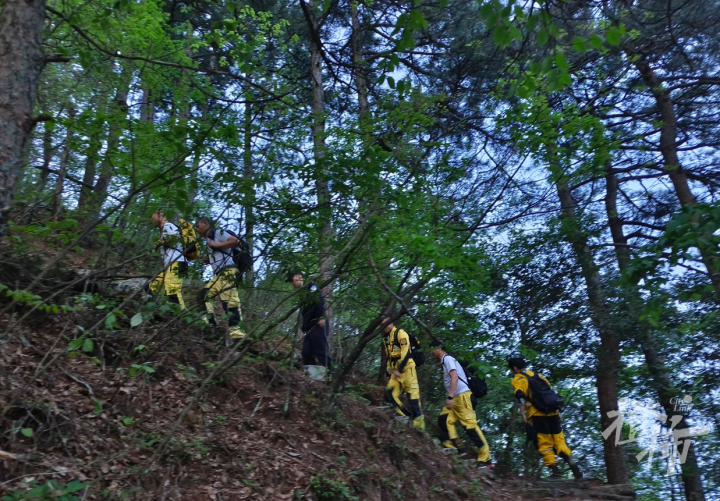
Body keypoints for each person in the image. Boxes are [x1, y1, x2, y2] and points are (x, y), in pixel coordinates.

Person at [508, 356, 582, 479]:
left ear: (515, 368)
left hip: (537, 415)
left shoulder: (518, 379)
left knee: (544, 443)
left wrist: (523, 415)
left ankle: (555, 472)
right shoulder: (539, 376)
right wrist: (558, 412)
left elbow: (520, 397)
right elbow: (551, 395)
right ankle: (570, 461)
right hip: (553, 412)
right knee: (559, 440)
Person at [430, 341, 493, 469]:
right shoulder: (443, 362)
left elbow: (454, 377)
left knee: (470, 427)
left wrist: (450, 397)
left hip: (462, 397)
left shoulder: (447, 359)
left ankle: (486, 459)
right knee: (444, 420)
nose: (431, 353)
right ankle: (456, 448)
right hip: (456, 399)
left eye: (432, 350)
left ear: (439, 348)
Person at [194, 217, 245, 340]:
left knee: (230, 303)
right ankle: (211, 326)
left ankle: (237, 336)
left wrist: (217, 244)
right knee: (203, 296)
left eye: (198, 226)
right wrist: (208, 259)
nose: (197, 229)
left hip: (229, 272)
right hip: (218, 276)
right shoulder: (208, 241)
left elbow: (235, 241)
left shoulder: (218, 233)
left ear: (205, 223)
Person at [381, 315, 425, 431]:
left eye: (385, 324)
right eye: (381, 325)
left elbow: (406, 354)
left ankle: (419, 428)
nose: (383, 327)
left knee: (413, 398)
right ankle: (405, 415)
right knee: (389, 394)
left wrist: (400, 370)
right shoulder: (386, 339)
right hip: (395, 372)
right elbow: (389, 357)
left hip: (407, 370)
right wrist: (388, 373)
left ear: (391, 323)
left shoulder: (401, 333)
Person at [287, 272, 333, 370]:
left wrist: (321, 317)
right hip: (309, 328)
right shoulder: (302, 294)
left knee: (321, 352)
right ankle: (313, 376)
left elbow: (319, 300)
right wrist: (303, 330)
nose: (292, 284)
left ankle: (333, 374)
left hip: (318, 324)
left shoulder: (311, 287)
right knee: (306, 352)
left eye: (293, 281)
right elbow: (305, 313)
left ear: (299, 276)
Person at [149, 210, 187, 309]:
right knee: (152, 286)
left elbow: (175, 237)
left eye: (152, 217)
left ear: (160, 216)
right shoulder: (163, 230)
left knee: (172, 291)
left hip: (176, 263)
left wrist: (161, 243)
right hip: (171, 265)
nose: (151, 221)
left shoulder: (168, 226)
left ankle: (178, 317)